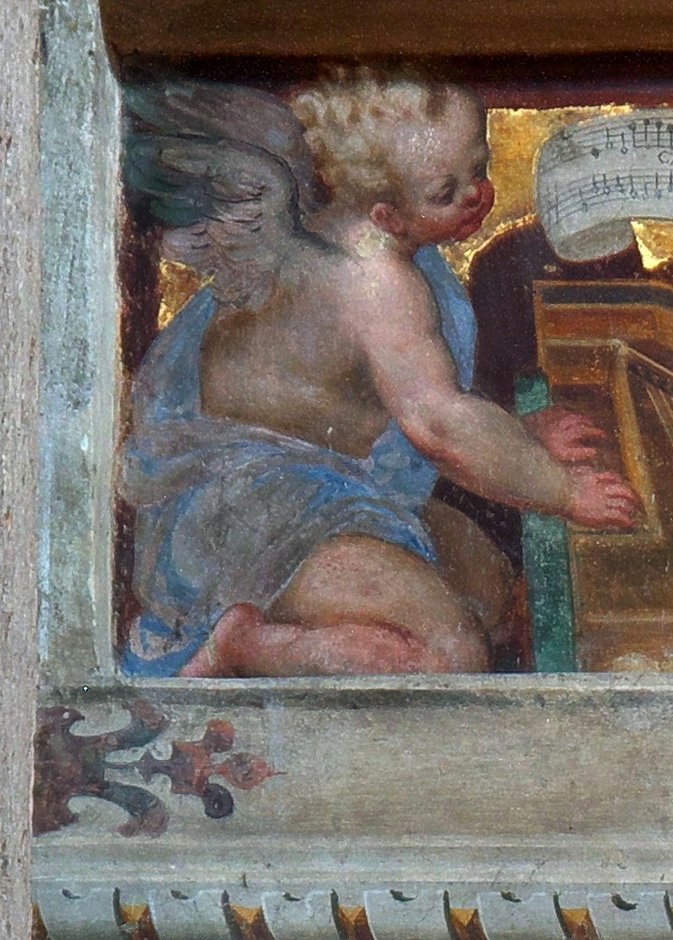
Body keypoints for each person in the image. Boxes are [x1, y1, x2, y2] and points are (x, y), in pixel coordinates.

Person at [119, 67, 641, 677]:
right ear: (387, 213)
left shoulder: (354, 241)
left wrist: (519, 438)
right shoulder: (374, 281)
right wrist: (562, 489)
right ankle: (242, 645)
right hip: (245, 518)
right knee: (448, 656)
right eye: (445, 191)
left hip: (323, 487)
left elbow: (395, 393)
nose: (477, 195)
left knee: (496, 594)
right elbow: (439, 424)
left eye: (479, 167)